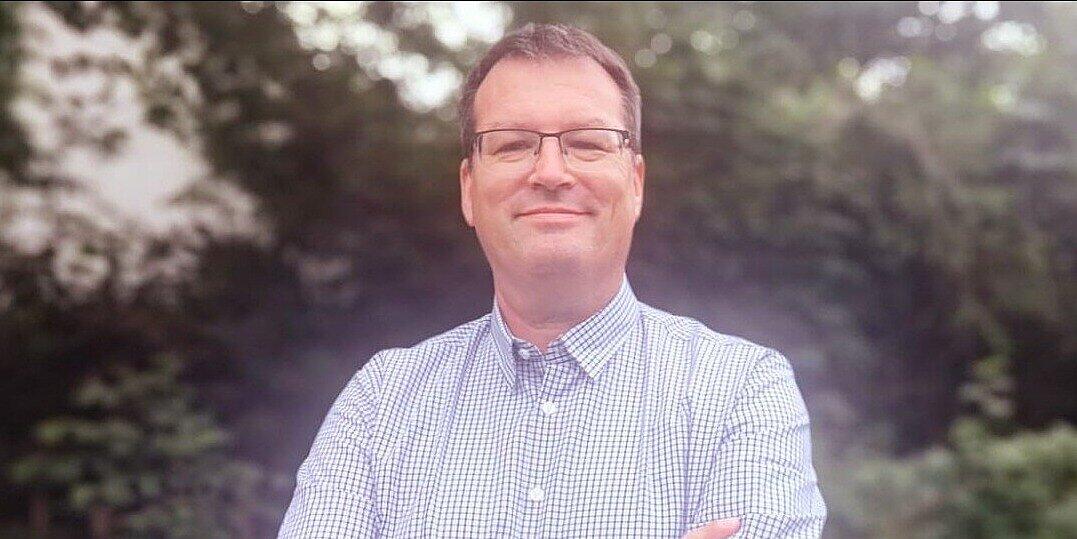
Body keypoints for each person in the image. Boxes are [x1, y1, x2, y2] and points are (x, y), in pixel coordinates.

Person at [278, 22, 826, 538]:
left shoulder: (741, 391)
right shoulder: (382, 402)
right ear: (468, 189)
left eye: (587, 142)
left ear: (635, 183)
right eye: (513, 144)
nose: (550, 172)